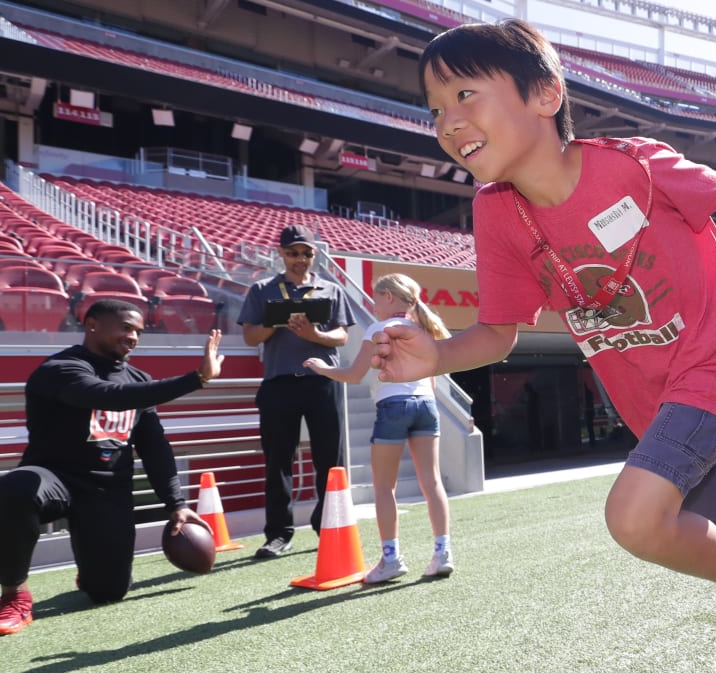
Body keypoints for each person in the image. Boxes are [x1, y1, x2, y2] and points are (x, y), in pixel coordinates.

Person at [375, 19, 716, 673]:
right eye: (435, 110)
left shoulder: (634, 165)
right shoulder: (497, 212)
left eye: (464, 95)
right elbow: (498, 333)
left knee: (633, 517)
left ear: (546, 96)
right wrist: (435, 356)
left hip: (714, 365)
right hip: (649, 397)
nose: (448, 122)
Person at [0, 301, 222, 634]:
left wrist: (177, 505)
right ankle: (14, 593)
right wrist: (198, 378)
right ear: (91, 325)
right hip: (55, 476)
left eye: (138, 332)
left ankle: (92, 567)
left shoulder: (138, 379)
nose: (132, 337)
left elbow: (154, 446)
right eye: (125, 328)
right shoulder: (60, 368)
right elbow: (108, 395)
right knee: (15, 489)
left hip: (107, 491)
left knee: (107, 592)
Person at [303, 273, 456, 583]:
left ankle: (391, 559)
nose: (372, 303)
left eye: (375, 296)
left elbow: (354, 374)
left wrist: (322, 368)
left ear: (389, 296)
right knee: (433, 482)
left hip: (393, 406)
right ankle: (442, 552)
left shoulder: (377, 329)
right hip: (426, 405)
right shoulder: (424, 329)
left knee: (385, 487)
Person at [238, 224, 356, 559]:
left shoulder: (330, 289)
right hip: (279, 383)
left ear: (314, 255)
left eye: (306, 253)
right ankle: (278, 534)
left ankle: (330, 526)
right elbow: (250, 338)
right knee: (278, 462)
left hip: (323, 381)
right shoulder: (262, 289)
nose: (300, 259)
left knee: (330, 460)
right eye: (293, 253)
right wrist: (277, 322)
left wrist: (314, 334)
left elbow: (342, 337)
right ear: (281, 253)